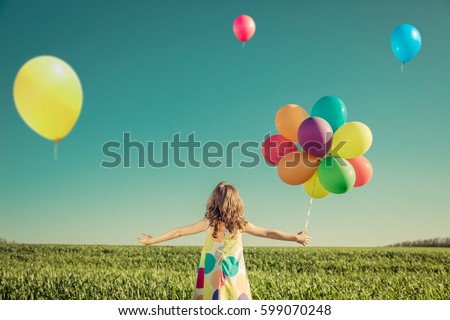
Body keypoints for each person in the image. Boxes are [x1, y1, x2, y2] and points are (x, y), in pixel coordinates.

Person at [137, 181, 311, 300]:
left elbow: (179, 231)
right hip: (234, 276)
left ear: (214, 201)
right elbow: (268, 233)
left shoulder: (209, 223)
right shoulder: (240, 224)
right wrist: (295, 237)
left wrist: (152, 241)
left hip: (210, 276)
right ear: (236, 203)